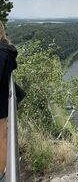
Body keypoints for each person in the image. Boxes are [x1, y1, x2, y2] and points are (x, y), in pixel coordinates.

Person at [0, 21, 24, 174]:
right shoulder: (4, 51)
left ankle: (1, 173)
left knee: (1, 137)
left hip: (0, 106)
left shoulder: (1, 53)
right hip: (1, 104)